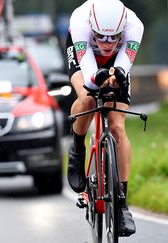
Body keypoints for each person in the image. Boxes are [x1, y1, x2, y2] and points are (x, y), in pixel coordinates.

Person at [65, 0, 144, 237]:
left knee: (118, 129)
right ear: (92, 28)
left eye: (113, 37)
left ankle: (121, 204)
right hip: (85, 59)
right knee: (88, 98)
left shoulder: (135, 27)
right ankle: (77, 149)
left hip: (116, 64)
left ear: (123, 30)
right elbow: (89, 78)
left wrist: (115, 76)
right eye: (100, 37)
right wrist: (97, 78)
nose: (107, 43)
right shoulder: (80, 22)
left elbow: (122, 68)